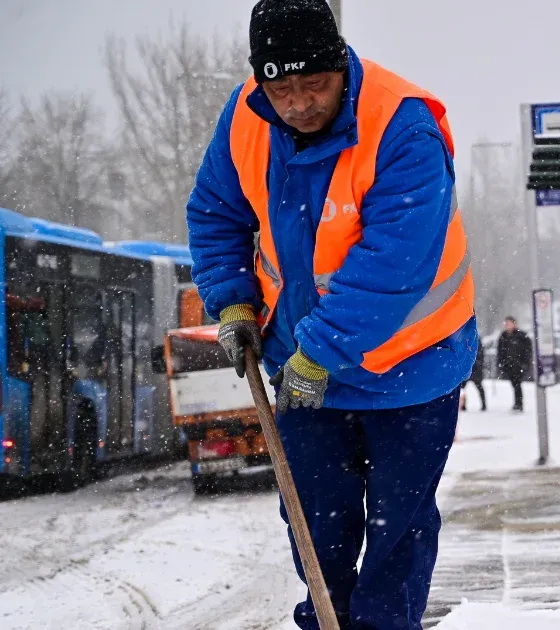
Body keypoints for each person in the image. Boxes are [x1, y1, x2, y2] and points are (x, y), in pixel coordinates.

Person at [186, 2, 477, 627]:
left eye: (315, 84)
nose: (298, 104)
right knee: (317, 525)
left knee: (396, 531)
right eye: (281, 88)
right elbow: (216, 214)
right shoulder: (244, 118)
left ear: (341, 63)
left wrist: (321, 350)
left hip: (411, 365)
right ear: (259, 79)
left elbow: (394, 260)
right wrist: (233, 297)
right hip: (300, 365)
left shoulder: (403, 124)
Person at [496, 316, 532, 412]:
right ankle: (517, 402)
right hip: (508, 365)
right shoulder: (503, 336)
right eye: (506, 323)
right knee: (514, 384)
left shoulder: (521, 336)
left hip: (518, 365)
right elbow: (500, 352)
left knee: (517, 384)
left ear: (514, 324)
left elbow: (528, 351)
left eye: (509, 323)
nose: (507, 325)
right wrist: (501, 364)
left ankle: (519, 403)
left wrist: (524, 363)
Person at [460, 342, 487, 411]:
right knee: (462, 388)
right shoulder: (465, 340)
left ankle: (484, 405)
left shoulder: (477, 341)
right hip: (468, 369)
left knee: (478, 387)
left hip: (475, 369)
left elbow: (481, 355)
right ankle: (463, 405)